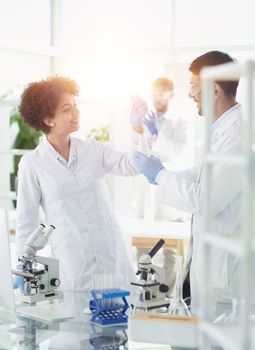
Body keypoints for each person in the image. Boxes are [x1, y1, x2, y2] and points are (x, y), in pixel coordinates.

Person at [132, 51, 242, 312]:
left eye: (193, 87)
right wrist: (161, 175)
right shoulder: (222, 128)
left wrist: (160, 175)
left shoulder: (236, 134)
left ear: (214, 90)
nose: (190, 95)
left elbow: (207, 199)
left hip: (225, 274)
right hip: (208, 263)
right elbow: (204, 175)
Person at [15, 76, 139, 291]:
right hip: (73, 264)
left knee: (122, 316)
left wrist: (138, 130)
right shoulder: (32, 164)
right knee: (77, 319)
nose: (76, 112)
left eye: (75, 105)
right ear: (48, 120)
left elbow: (133, 165)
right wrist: (23, 264)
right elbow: (27, 219)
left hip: (111, 254)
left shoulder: (93, 150)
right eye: (67, 108)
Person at [129, 77, 188, 297]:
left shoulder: (180, 122)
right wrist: (142, 128)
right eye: (154, 94)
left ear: (171, 95)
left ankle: (169, 296)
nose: (157, 99)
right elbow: (137, 150)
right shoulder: (144, 120)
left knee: (170, 248)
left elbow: (176, 154)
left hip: (168, 188)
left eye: (161, 94)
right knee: (144, 243)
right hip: (146, 191)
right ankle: (148, 293)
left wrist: (156, 133)